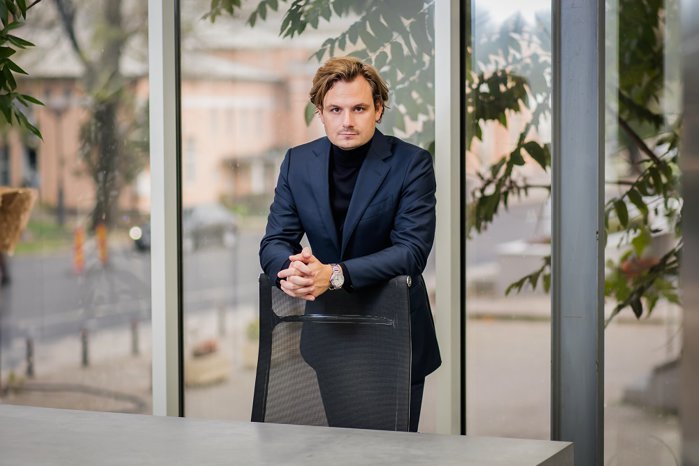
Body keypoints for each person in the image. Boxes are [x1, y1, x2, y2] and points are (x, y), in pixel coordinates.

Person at [259, 56, 440, 432]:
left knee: (391, 455)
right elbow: (275, 241)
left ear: (378, 109)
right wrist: (292, 271)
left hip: (394, 335)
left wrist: (335, 274)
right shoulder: (297, 163)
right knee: (340, 449)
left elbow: (411, 251)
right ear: (320, 113)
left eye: (359, 108)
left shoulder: (411, 163)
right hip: (330, 335)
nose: (347, 121)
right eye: (335, 110)